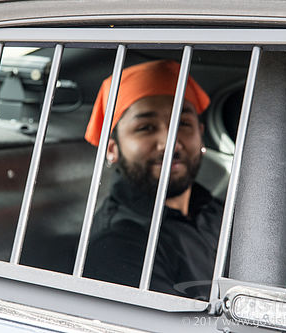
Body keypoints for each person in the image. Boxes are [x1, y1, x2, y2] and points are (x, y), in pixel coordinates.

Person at [83, 60, 223, 299]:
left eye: (183, 123)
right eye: (146, 127)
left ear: (201, 134)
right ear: (112, 149)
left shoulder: (219, 211)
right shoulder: (118, 244)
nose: (170, 143)